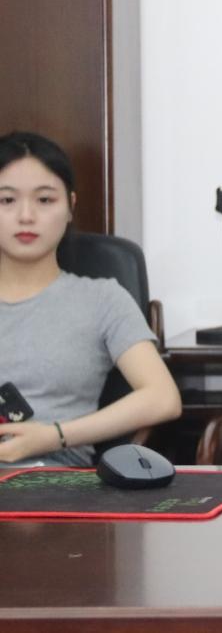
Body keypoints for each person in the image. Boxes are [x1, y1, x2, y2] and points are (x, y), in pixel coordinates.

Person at [0, 131, 182, 466]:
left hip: (55, 480)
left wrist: (54, 435)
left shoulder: (102, 299)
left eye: (44, 200)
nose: (26, 216)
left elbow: (163, 398)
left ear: (70, 206)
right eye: (7, 200)